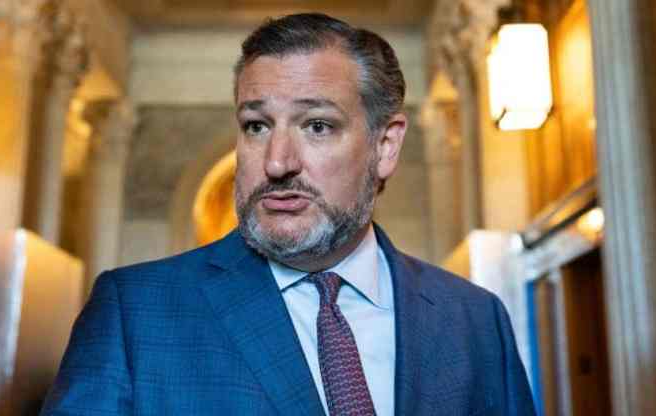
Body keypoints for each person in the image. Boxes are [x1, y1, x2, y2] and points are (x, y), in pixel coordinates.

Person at [41, 13, 535, 416]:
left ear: (385, 146)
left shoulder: (474, 318)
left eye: (317, 126)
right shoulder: (135, 314)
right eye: (256, 126)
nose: (276, 162)